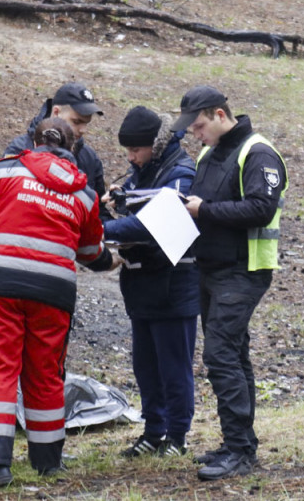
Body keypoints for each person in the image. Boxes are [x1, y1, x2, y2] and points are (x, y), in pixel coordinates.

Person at [0, 117, 116, 486]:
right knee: (45, 373)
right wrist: (112, 261)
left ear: (34, 140)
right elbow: (91, 251)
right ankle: (47, 461)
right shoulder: (84, 194)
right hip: (53, 293)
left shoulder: (6, 170)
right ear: (73, 148)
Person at [178, 85, 288, 481]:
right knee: (233, 354)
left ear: (221, 115)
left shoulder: (258, 152)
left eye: (200, 125)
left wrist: (203, 209)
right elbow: (199, 203)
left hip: (244, 270)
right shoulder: (210, 151)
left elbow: (261, 207)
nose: (195, 134)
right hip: (211, 267)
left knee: (222, 355)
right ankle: (238, 443)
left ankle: (240, 450)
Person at [101, 106, 200, 458]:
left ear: (153, 146)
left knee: (173, 366)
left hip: (174, 286)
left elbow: (156, 223)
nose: (131, 157)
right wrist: (116, 203)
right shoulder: (142, 173)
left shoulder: (181, 173)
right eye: (128, 151)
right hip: (142, 286)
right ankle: (154, 430)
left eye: (136, 150)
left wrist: (102, 230)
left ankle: (177, 435)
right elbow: (135, 212)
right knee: (145, 366)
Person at [3, 82, 111, 221]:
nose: (83, 130)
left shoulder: (89, 159)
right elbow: (3, 200)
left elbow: (97, 212)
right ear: (56, 112)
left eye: (86, 123)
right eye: (76, 122)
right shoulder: (21, 150)